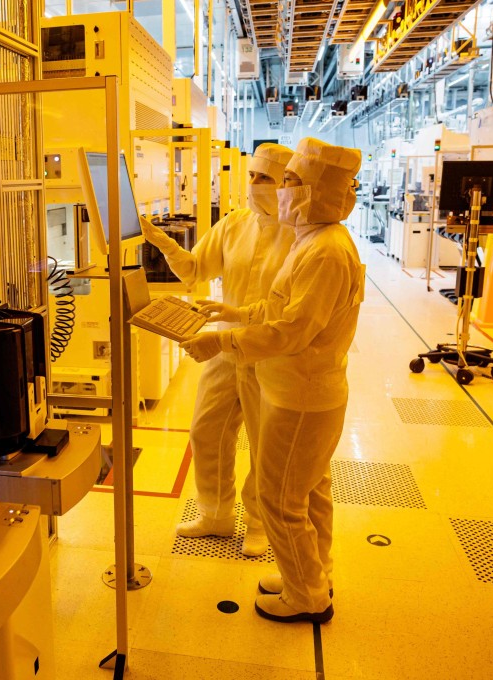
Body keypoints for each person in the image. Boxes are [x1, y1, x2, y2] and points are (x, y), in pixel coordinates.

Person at [180, 137, 365, 624]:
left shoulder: (324, 250)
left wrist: (223, 341)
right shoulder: (315, 239)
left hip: (300, 390)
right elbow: (280, 307)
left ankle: (306, 597)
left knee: (281, 498)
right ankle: (311, 574)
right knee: (306, 490)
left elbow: (290, 331)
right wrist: (235, 312)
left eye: (288, 180)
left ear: (318, 190)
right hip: (296, 385)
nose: (279, 189)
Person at [139, 143, 295, 556]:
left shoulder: (300, 231)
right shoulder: (234, 223)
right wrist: (162, 242)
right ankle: (216, 513)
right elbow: (194, 270)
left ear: (287, 184)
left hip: (271, 353)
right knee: (206, 431)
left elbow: (292, 307)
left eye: (268, 178)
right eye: (254, 176)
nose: (257, 185)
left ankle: (260, 522)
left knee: (265, 446)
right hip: (224, 348)